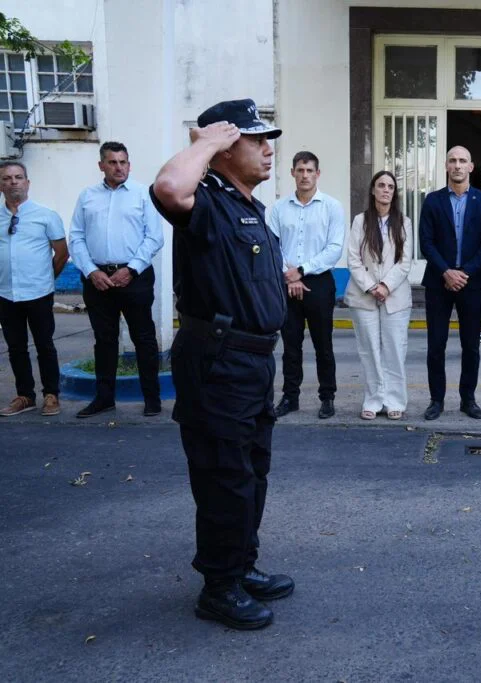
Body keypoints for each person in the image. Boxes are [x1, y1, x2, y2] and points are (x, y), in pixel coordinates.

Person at [150, 99, 293, 630]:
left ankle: (241, 565)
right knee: (223, 477)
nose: (268, 148)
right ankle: (219, 586)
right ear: (228, 147)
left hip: (253, 365)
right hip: (218, 363)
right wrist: (204, 142)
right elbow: (168, 188)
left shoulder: (248, 205)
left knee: (252, 472)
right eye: (257, 139)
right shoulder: (205, 200)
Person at [69, 141, 165, 419]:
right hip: (97, 280)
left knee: (144, 338)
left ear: (129, 165)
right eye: (112, 162)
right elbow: (76, 236)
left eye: (123, 162)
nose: (119, 167)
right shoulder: (87, 196)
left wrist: (131, 269)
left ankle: (152, 399)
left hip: (134, 278)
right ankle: (104, 398)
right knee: (104, 339)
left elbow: (154, 237)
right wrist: (91, 271)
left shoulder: (142, 195)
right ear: (101, 166)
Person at [419, 146, 481, 421]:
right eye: (452, 161)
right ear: (446, 166)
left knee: (471, 346)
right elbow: (426, 242)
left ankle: (468, 399)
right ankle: (436, 400)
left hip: (472, 284)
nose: (458, 165)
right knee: (435, 345)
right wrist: (447, 272)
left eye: (463, 160)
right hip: (439, 283)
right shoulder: (432, 201)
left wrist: (464, 272)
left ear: (471, 167)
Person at [267, 151, 345, 420]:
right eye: (300, 170)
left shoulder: (332, 207)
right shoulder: (278, 208)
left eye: (310, 171)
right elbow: (272, 246)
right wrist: (289, 275)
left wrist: (301, 271)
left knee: (323, 344)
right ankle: (290, 397)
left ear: (318, 174)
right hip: (286, 284)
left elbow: (334, 248)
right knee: (290, 345)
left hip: (319, 282)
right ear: (292, 173)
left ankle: (327, 398)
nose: (304, 175)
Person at [0, 161, 69, 418]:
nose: (13, 182)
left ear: (27, 183)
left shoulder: (45, 215)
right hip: (6, 293)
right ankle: (24, 396)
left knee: (44, 345)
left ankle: (51, 395)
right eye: (7, 178)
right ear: (1, 185)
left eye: (18, 177)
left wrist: (45, 279)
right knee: (16, 347)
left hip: (39, 292)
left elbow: (61, 253)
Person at [343, 170, 413, 420]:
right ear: (373, 190)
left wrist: (385, 285)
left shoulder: (403, 222)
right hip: (364, 297)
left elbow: (405, 262)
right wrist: (372, 286)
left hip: (395, 297)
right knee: (369, 349)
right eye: (381, 185)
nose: (385, 190)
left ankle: (395, 401)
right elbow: (353, 259)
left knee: (395, 349)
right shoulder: (360, 221)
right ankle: (373, 400)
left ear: (394, 193)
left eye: (390, 187)